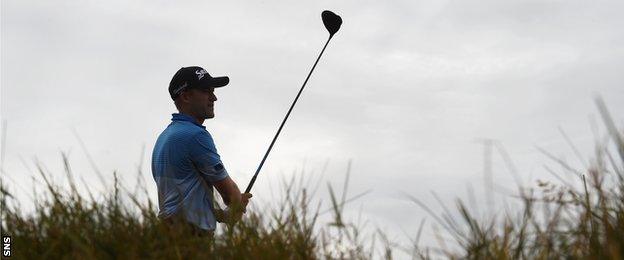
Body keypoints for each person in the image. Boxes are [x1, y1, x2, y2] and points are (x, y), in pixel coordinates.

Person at [152, 66, 252, 236]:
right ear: (185, 96)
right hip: (190, 238)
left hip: (167, 235)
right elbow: (230, 195)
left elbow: (183, 202)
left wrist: (223, 215)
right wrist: (237, 203)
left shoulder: (164, 137)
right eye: (206, 91)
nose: (214, 98)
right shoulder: (196, 136)